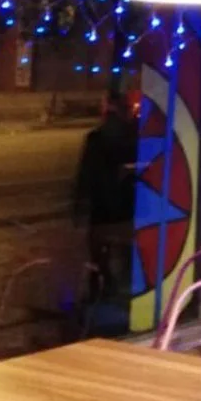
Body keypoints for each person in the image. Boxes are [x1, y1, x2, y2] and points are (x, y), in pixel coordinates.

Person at [73, 91, 138, 303]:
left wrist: (79, 208)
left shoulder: (96, 138)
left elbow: (85, 177)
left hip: (101, 210)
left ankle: (101, 288)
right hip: (128, 208)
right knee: (126, 252)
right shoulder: (137, 137)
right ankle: (121, 288)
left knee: (99, 253)